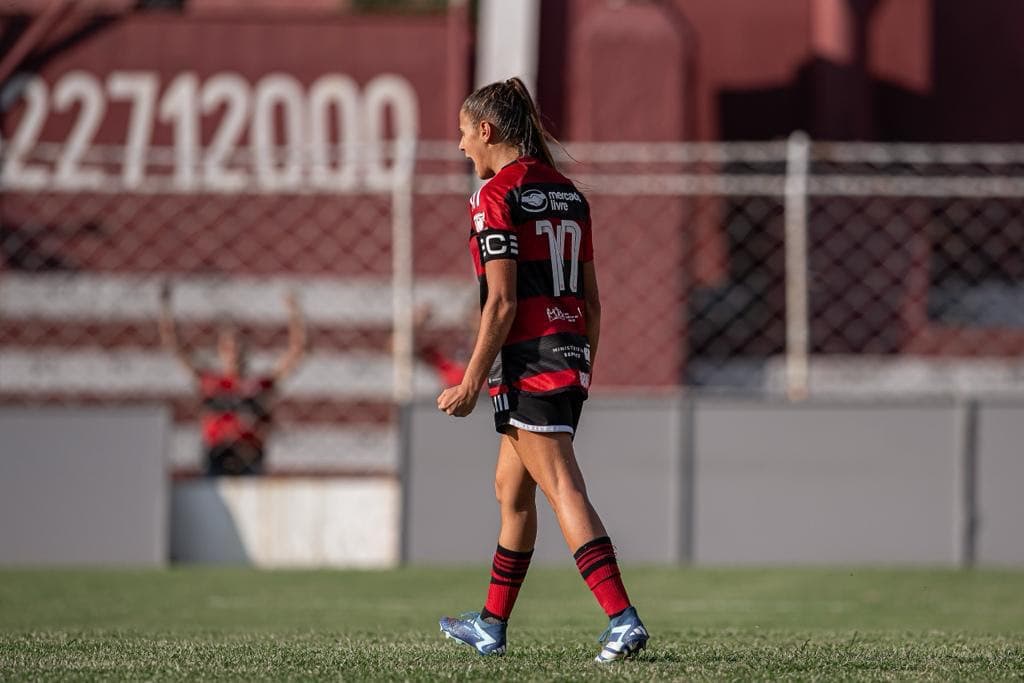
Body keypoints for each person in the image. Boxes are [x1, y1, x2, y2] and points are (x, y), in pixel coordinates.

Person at [436, 77, 649, 663]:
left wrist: (471, 383)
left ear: (487, 130)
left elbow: (501, 303)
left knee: (561, 487)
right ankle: (491, 625)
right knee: (511, 490)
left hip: (529, 359)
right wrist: (582, 365)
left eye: (462, 133)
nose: (459, 147)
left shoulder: (494, 196)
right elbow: (593, 299)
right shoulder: (569, 194)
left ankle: (622, 619)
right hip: (569, 351)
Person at [158, 284, 306, 476]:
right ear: (220, 353)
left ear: (247, 352)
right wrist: (165, 308)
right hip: (217, 456)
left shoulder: (260, 384)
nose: (234, 354)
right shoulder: (210, 382)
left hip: (249, 457)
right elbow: (175, 348)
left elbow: (296, 353)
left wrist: (294, 312)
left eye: (239, 348)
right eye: (228, 349)